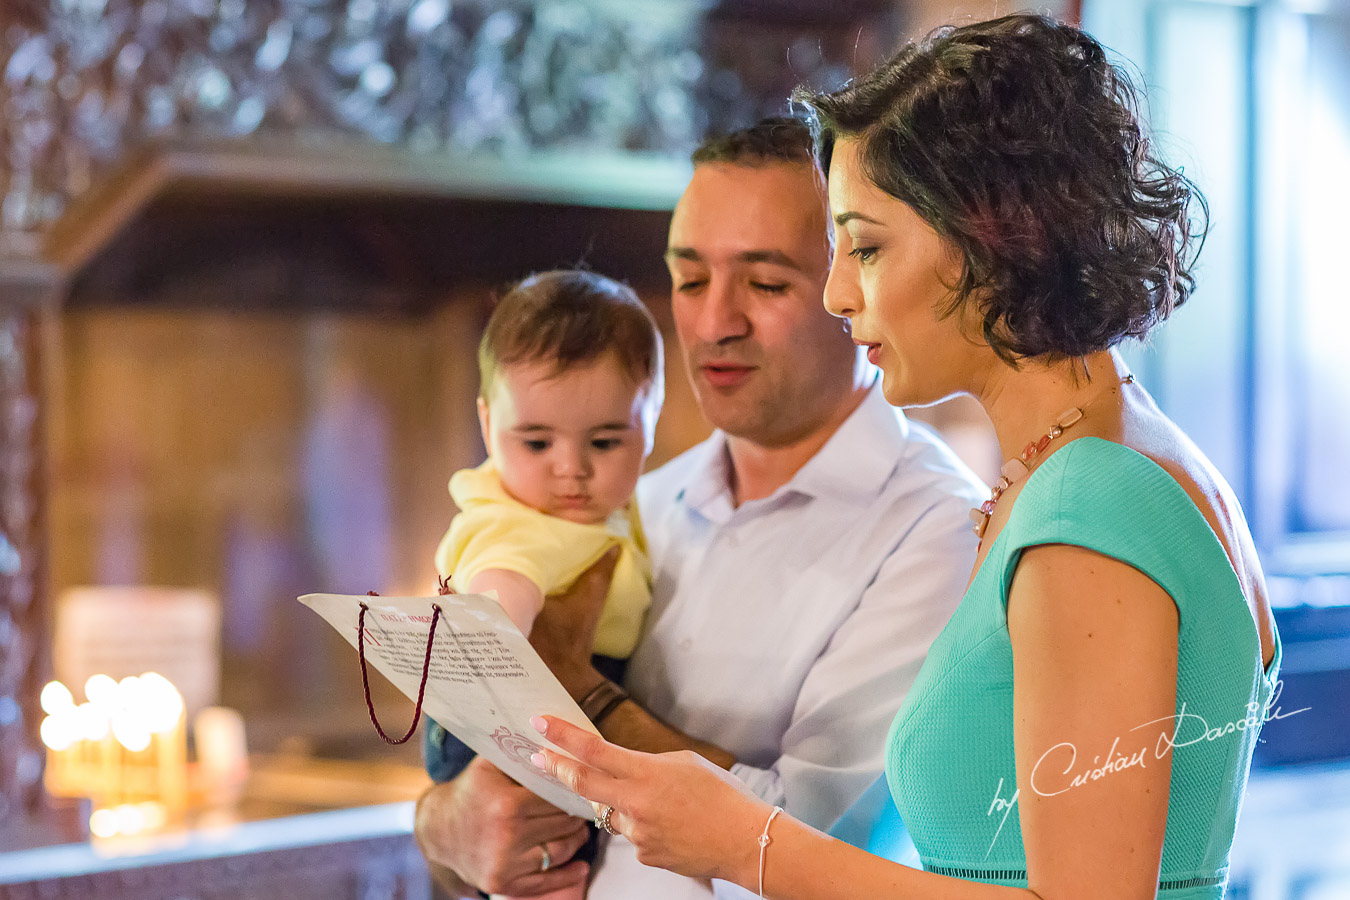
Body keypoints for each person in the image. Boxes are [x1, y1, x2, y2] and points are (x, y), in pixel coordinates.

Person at [530, 14, 1283, 900]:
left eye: (868, 246)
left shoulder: (1092, 503)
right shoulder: (1107, 460)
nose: (840, 294)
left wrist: (745, 842)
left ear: (993, 236)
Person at [414, 117, 987, 899]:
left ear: (854, 286)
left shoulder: (937, 531)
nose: (715, 323)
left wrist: (573, 690)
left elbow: (817, 853)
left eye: (765, 283)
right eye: (689, 280)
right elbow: (481, 803)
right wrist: (446, 826)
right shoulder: (637, 502)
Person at [428, 269, 664, 900]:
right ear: (486, 425)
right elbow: (502, 587)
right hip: (504, 720)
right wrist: (498, 618)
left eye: (607, 441)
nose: (572, 469)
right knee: (547, 852)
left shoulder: (615, 513)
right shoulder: (517, 525)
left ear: (651, 422)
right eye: (536, 442)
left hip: (557, 708)